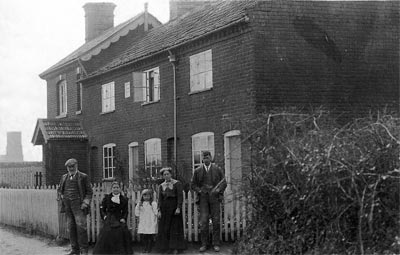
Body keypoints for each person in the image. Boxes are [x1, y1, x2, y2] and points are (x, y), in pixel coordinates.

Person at [191, 151, 227, 252]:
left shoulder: (217, 169)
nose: (206, 159)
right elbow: (193, 184)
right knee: (203, 222)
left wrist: (218, 190)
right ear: (202, 159)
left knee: (216, 221)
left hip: (215, 198)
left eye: (207, 157)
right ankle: (204, 244)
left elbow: (224, 183)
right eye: (204, 158)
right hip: (203, 199)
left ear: (211, 158)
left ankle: (216, 243)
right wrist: (200, 190)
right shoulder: (197, 171)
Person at [58, 158, 93, 255]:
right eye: (69, 167)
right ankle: (75, 249)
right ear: (67, 168)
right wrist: (62, 196)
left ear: (76, 166)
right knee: (71, 227)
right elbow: (60, 189)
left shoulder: (83, 177)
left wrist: (85, 203)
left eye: (73, 166)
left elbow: (89, 192)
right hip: (68, 206)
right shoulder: (64, 177)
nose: (71, 168)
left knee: (81, 228)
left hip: (79, 206)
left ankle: (84, 250)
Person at [93, 181, 133, 255]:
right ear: (111, 189)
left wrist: (124, 218)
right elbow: (102, 209)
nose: (116, 189)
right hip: (109, 217)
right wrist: (104, 216)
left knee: (122, 230)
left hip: (119, 217)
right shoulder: (107, 198)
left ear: (120, 189)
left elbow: (125, 211)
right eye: (114, 187)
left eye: (117, 187)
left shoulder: (123, 199)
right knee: (107, 231)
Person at [155, 167, 187, 254]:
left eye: (167, 174)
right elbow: (160, 199)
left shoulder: (177, 183)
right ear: (162, 176)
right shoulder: (161, 186)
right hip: (164, 209)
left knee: (174, 228)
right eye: (164, 174)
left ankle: (175, 248)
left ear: (171, 174)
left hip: (174, 208)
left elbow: (180, 197)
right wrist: (159, 210)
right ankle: (166, 248)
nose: (166, 176)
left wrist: (178, 207)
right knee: (165, 228)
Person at [135, 189, 158, 253]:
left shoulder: (153, 203)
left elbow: (156, 212)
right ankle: (145, 248)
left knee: (150, 236)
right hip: (143, 222)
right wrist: (138, 207)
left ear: (151, 196)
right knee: (144, 236)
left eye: (148, 195)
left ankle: (149, 248)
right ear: (142, 196)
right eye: (145, 195)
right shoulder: (140, 203)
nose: (146, 197)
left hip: (150, 221)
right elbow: (137, 213)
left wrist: (155, 219)